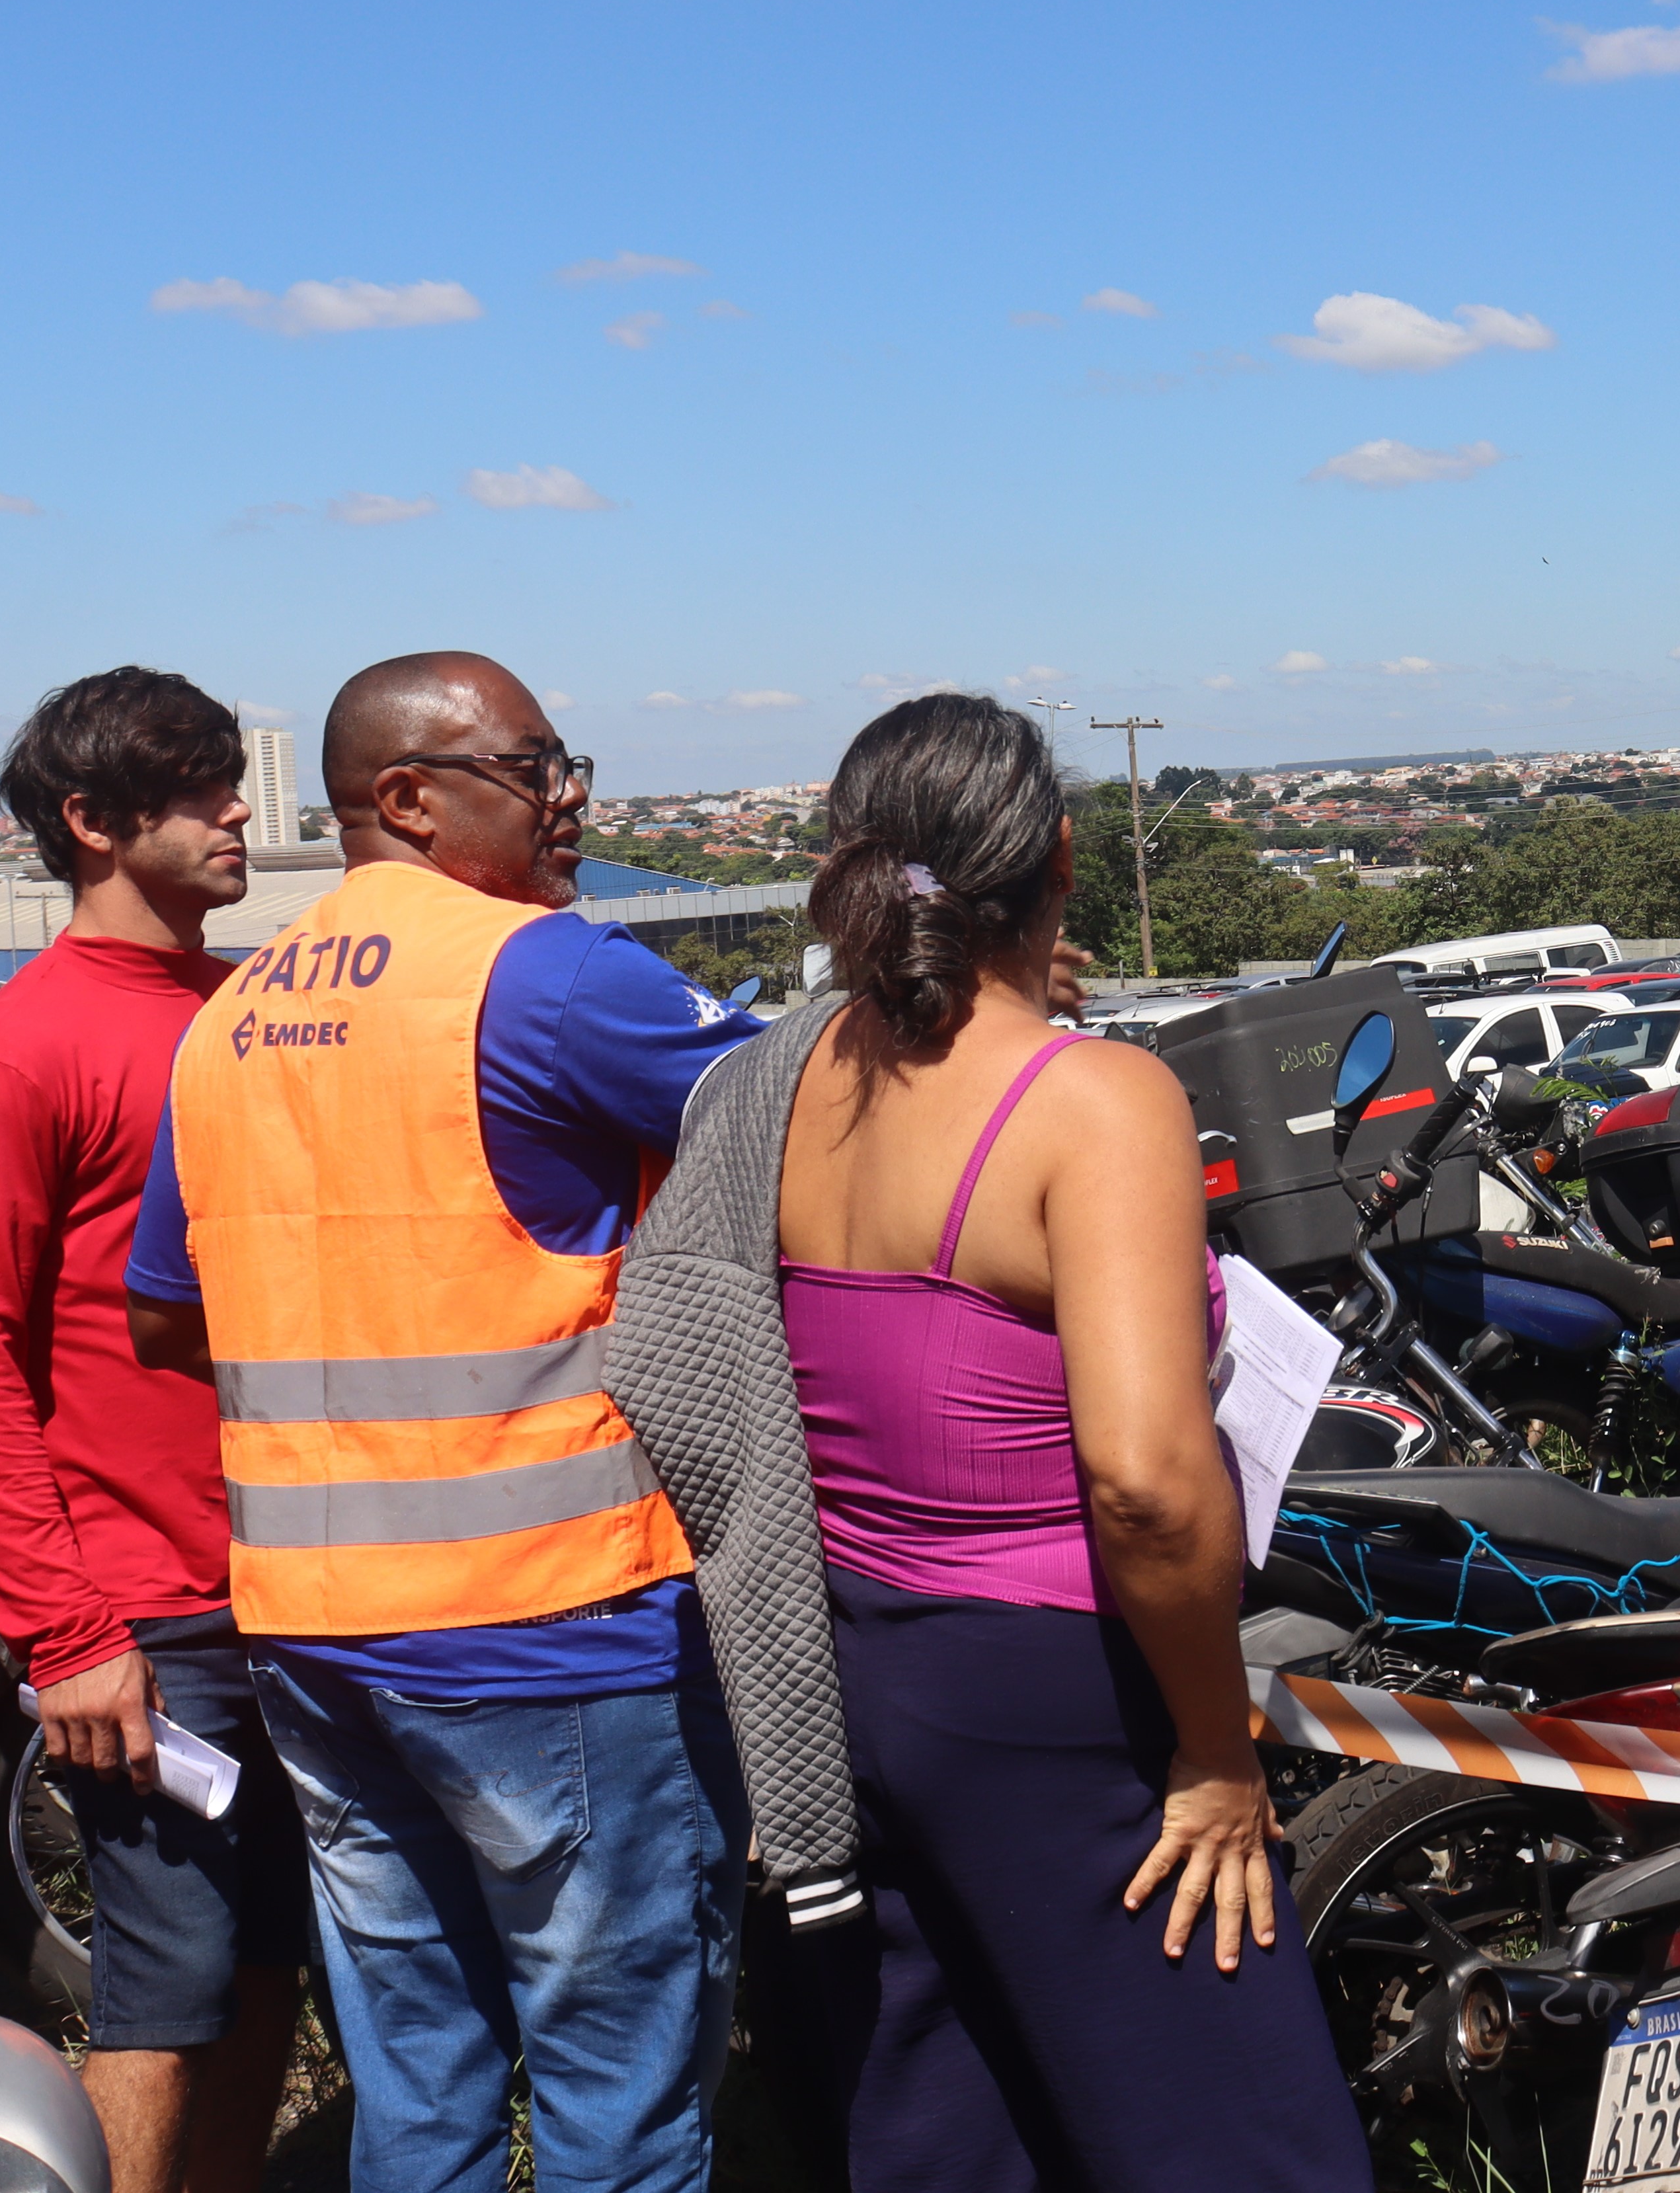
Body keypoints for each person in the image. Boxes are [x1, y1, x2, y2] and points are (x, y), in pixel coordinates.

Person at [697, 691, 1366, 2189]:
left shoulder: (786, 1076)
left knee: (947, 2130)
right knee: (1240, 2140)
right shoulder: (1094, 1098)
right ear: (1062, 851)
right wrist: (1209, 1747)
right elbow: (1142, 1479)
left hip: (846, 1671)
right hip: (1056, 1692)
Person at [124, 652, 764, 2193]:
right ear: (407, 796)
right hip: (554, 1629)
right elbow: (812, 1132)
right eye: (536, 764)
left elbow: (161, 1307)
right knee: (624, 2091)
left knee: (420, 2082)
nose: (573, 797)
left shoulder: (230, 1021)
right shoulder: (549, 971)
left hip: (315, 1642)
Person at [0, 668, 306, 2193]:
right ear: (90, 820)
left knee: (273, 1955)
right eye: (198, 784)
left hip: (296, 1577)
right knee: (169, 1980)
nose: (237, 808)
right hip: (139, 1604)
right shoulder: (14, 1055)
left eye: (230, 775)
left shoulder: (251, 1008)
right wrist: (66, 1627)